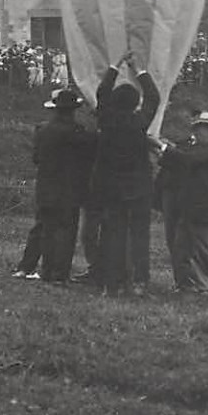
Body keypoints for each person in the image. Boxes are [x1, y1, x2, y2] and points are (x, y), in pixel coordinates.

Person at [13, 88, 97, 284]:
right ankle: (60, 274)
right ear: (73, 110)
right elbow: (90, 154)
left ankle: (45, 271)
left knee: (46, 230)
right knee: (66, 232)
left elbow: (36, 158)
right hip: (70, 189)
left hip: (46, 187)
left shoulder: (42, 130)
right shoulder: (78, 133)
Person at [93, 51, 160, 296]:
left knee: (114, 233)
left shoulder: (106, 120)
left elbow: (101, 93)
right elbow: (154, 97)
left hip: (111, 185)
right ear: (135, 103)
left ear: (113, 102)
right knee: (140, 234)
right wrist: (138, 69)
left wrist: (115, 65)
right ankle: (140, 281)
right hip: (139, 186)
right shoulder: (139, 123)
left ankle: (113, 281)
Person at [157, 110, 208, 297]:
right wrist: (168, 149)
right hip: (190, 208)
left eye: (206, 129)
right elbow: (181, 159)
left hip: (202, 209)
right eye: (199, 128)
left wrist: (164, 148)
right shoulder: (199, 149)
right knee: (183, 249)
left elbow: (186, 160)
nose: (200, 132)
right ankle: (200, 287)